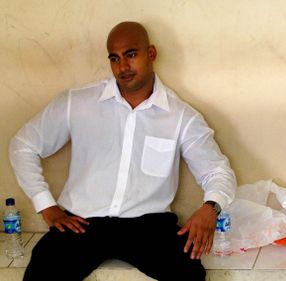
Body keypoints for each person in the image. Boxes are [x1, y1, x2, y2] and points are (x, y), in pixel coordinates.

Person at [9, 21, 236, 281]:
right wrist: (45, 205)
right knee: (41, 275)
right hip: (81, 223)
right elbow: (22, 145)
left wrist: (210, 209)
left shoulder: (181, 116)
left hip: (147, 228)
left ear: (151, 54)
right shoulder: (78, 102)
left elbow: (218, 171)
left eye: (131, 55)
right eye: (114, 58)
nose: (123, 67)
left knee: (189, 275)